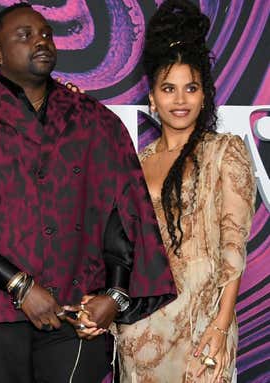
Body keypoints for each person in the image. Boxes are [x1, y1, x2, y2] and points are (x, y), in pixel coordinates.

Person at [0, 3, 177, 382]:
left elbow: (123, 217)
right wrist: (21, 286)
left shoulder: (94, 121)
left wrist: (113, 296)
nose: (40, 41)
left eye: (46, 33)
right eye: (25, 35)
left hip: (75, 314)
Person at [114, 1, 256, 382]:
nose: (180, 100)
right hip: (141, 332)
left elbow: (233, 246)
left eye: (190, 88)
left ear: (205, 94)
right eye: (168, 89)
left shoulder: (225, 151)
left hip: (202, 323)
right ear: (152, 98)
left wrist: (222, 324)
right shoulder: (138, 162)